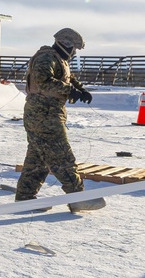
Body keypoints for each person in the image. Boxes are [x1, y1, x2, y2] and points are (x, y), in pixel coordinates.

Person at [15, 28, 105, 213]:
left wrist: (81, 89)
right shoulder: (46, 57)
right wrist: (69, 91)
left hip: (45, 113)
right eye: (74, 49)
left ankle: (25, 197)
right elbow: (43, 80)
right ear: (66, 44)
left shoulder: (58, 59)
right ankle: (77, 198)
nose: (74, 53)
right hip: (44, 115)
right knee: (62, 157)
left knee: (38, 159)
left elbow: (68, 78)